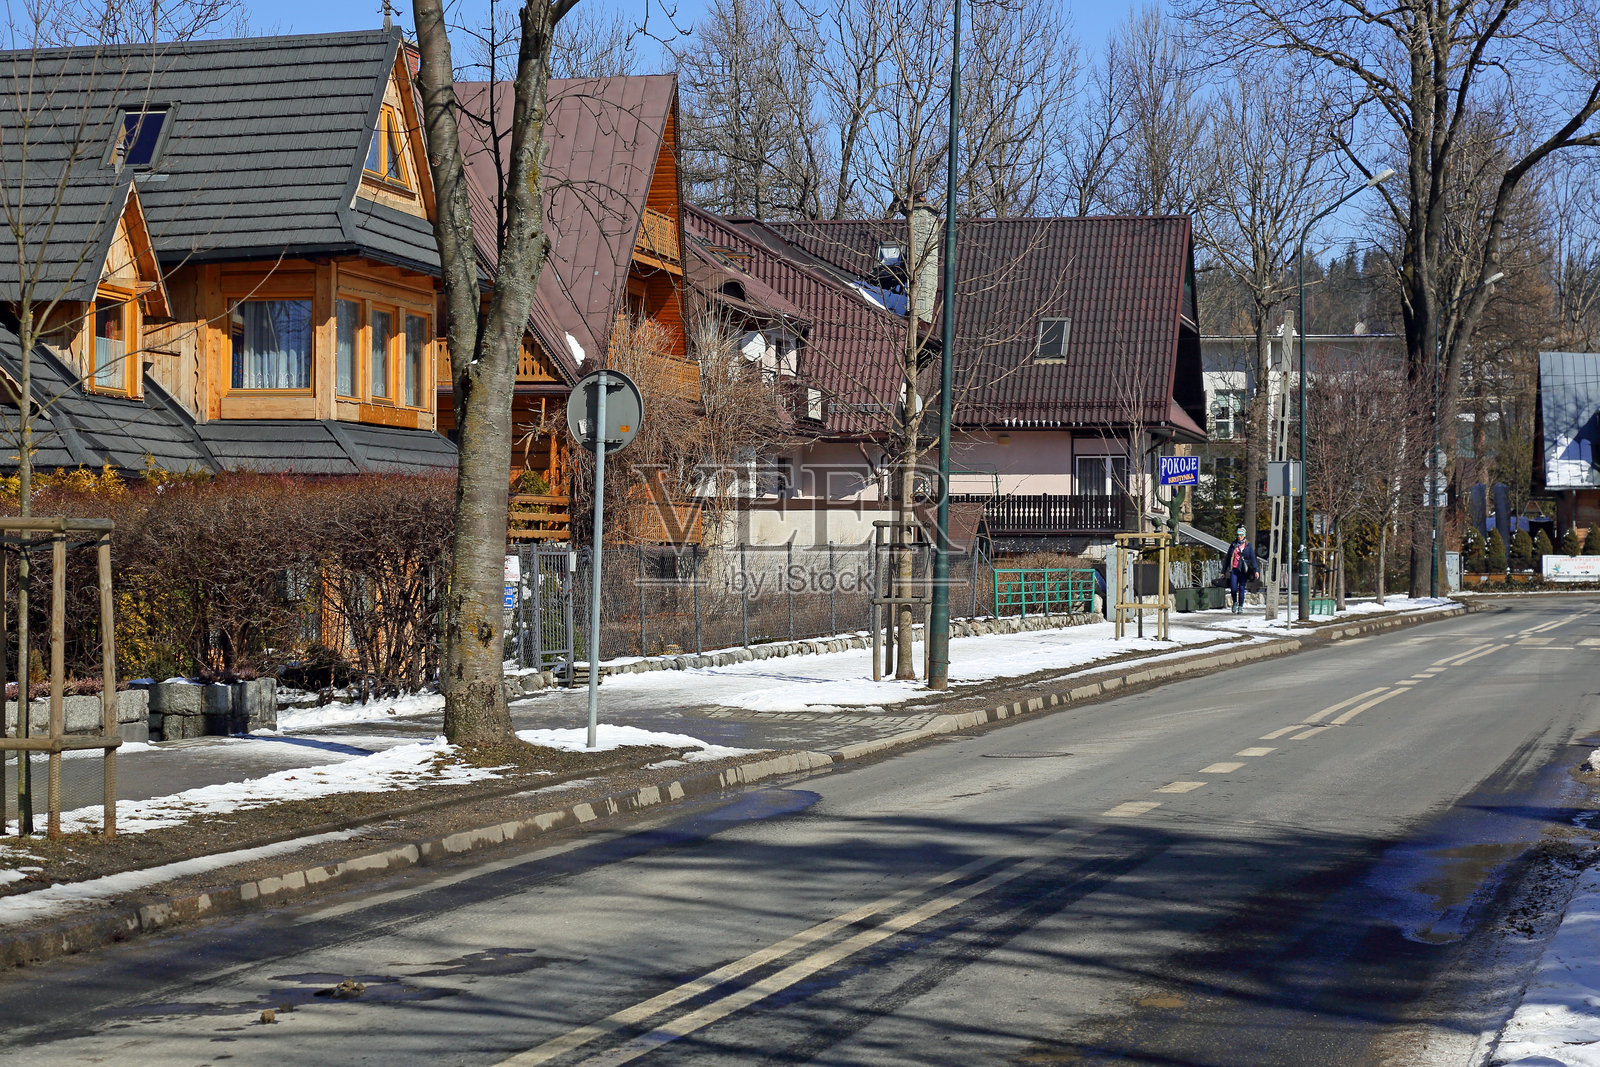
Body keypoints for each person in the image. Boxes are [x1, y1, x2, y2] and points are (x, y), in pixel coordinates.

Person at [1227, 526, 1257, 614]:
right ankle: (1235, 602)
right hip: (1234, 569)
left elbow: (1253, 558)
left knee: (1241, 588)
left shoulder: (1248, 546)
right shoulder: (1233, 545)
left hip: (1243, 570)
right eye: (1238, 535)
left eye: (1241, 535)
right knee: (1233, 588)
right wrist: (1223, 571)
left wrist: (1256, 570)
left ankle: (1240, 606)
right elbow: (1228, 557)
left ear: (1244, 535)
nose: (1239, 536)